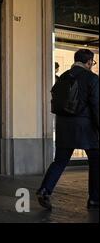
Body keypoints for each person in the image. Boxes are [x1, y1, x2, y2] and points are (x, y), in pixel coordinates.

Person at [37, 49, 99, 211]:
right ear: (89, 62)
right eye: (92, 62)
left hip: (63, 125)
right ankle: (94, 198)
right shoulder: (92, 78)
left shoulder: (64, 76)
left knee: (60, 161)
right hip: (86, 127)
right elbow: (96, 106)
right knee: (96, 161)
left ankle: (45, 189)